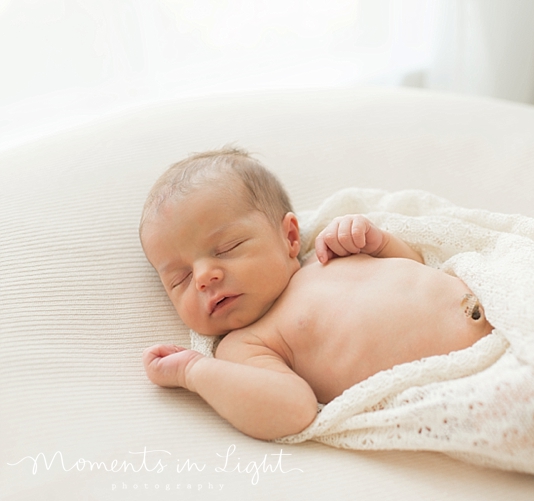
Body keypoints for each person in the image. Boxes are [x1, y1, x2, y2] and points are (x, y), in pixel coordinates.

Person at [140, 147, 494, 440]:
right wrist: (193, 372)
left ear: (290, 237)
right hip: (476, 380)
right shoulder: (247, 345)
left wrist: (380, 242)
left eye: (227, 247)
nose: (203, 277)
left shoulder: (327, 253)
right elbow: (292, 409)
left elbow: (419, 265)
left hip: (498, 304)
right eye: (180, 279)